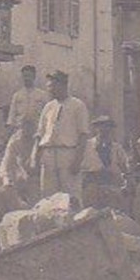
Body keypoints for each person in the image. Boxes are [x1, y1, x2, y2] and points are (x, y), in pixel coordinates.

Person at [32, 70, 91, 202]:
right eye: (49, 87)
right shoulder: (48, 106)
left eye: (53, 86)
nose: (50, 90)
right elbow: (40, 134)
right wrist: (34, 157)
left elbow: (83, 135)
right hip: (48, 154)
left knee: (71, 197)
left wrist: (78, 160)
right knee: (47, 196)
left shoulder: (78, 105)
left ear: (63, 85)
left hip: (68, 154)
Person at [81, 115, 131, 212]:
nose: (104, 129)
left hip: (111, 183)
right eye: (101, 126)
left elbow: (125, 167)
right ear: (96, 128)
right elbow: (80, 166)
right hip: (92, 183)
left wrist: (127, 183)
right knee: (91, 212)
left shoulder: (117, 148)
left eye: (108, 126)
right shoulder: (87, 146)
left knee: (113, 213)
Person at [0, 114, 38, 201]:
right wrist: (6, 180)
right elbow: (6, 163)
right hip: (21, 176)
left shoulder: (39, 140)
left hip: (39, 176)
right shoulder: (15, 141)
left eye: (30, 127)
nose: (26, 130)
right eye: (23, 127)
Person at [6, 64, 50, 135]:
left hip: (37, 130)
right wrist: (10, 129)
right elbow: (12, 114)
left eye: (29, 76)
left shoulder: (42, 95)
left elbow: (47, 114)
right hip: (19, 130)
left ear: (34, 77)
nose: (27, 78)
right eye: (24, 76)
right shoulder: (17, 95)